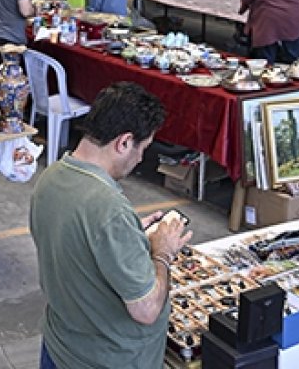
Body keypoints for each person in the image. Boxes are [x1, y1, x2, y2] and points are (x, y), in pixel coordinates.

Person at [29, 82, 189, 369]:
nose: (140, 158)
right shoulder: (108, 207)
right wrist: (162, 252)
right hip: (105, 360)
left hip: (60, 347)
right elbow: (146, 309)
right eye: (143, 148)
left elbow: (78, 246)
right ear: (124, 142)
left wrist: (130, 236)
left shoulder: (51, 177)